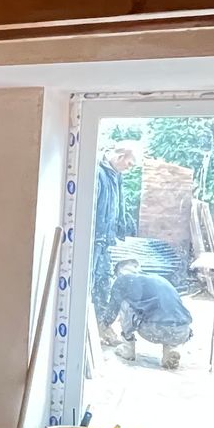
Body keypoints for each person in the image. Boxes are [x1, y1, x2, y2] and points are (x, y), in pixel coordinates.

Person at [103, 255, 194, 370]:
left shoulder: (123, 280)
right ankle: (169, 351)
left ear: (119, 272)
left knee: (124, 302)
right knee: (162, 313)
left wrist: (105, 326)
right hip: (182, 331)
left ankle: (128, 348)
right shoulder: (159, 279)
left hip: (154, 330)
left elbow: (112, 309)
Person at [91, 144, 140, 338]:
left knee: (103, 281)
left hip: (105, 239)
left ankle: (101, 324)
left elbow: (117, 205)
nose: (130, 168)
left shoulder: (115, 176)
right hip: (95, 238)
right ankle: (90, 326)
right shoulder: (98, 173)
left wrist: (121, 226)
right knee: (91, 280)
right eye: (130, 163)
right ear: (120, 156)